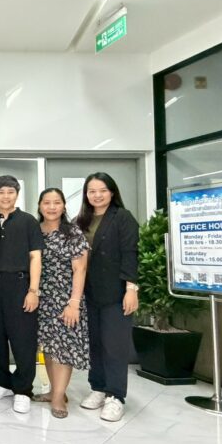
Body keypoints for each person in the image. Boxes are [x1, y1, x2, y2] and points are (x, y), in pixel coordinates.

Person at [74, 173, 139, 422]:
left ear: (112, 192)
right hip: (89, 293)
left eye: (102, 190)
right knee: (95, 343)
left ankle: (115, 396)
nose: (97, 195)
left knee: (115, 345)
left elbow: (130, 253)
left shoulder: (122, 217)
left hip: (116, 293)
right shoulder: (81, 220)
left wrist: (131, 289)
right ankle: (98, 388)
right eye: (92, 191)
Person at [0, 175, 44, 414]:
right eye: (0, 192)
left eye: (10, 192)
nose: (5, 196)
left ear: (17, 194)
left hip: (20, 285)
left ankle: (23, 389)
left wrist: (33, 290)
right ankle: (2, 382)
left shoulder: (28, 221)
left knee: (23, 339)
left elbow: (35, 257)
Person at [34, 188, 90, 419]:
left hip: (66, 298)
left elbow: (80, 269)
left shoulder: (73, 232)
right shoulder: (34, 231)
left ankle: (58, 397)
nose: (51, 207)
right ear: (40, 206)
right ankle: (53, 391)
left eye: (56, 202)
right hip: (42, 298)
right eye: (47, 203)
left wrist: (74, 303)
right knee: (48, 347)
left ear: (64, 206)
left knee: (64, 348)